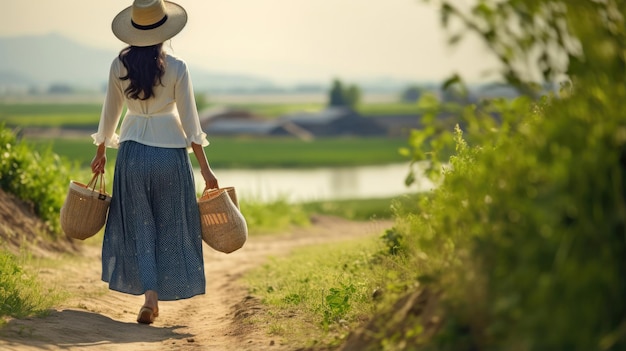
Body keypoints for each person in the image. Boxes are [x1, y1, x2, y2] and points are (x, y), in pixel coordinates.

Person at [90, 0, 218, 325]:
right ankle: (164, 290)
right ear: (164, 31)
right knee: (171, 226)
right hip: (170, 155)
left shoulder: (119, 66)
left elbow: (110, 113)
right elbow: (191, 124)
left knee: (141, 228)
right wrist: (205, 168)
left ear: (133, 30)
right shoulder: (177, 67)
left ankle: (150, 297)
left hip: (132, 155)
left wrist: (101, 149)